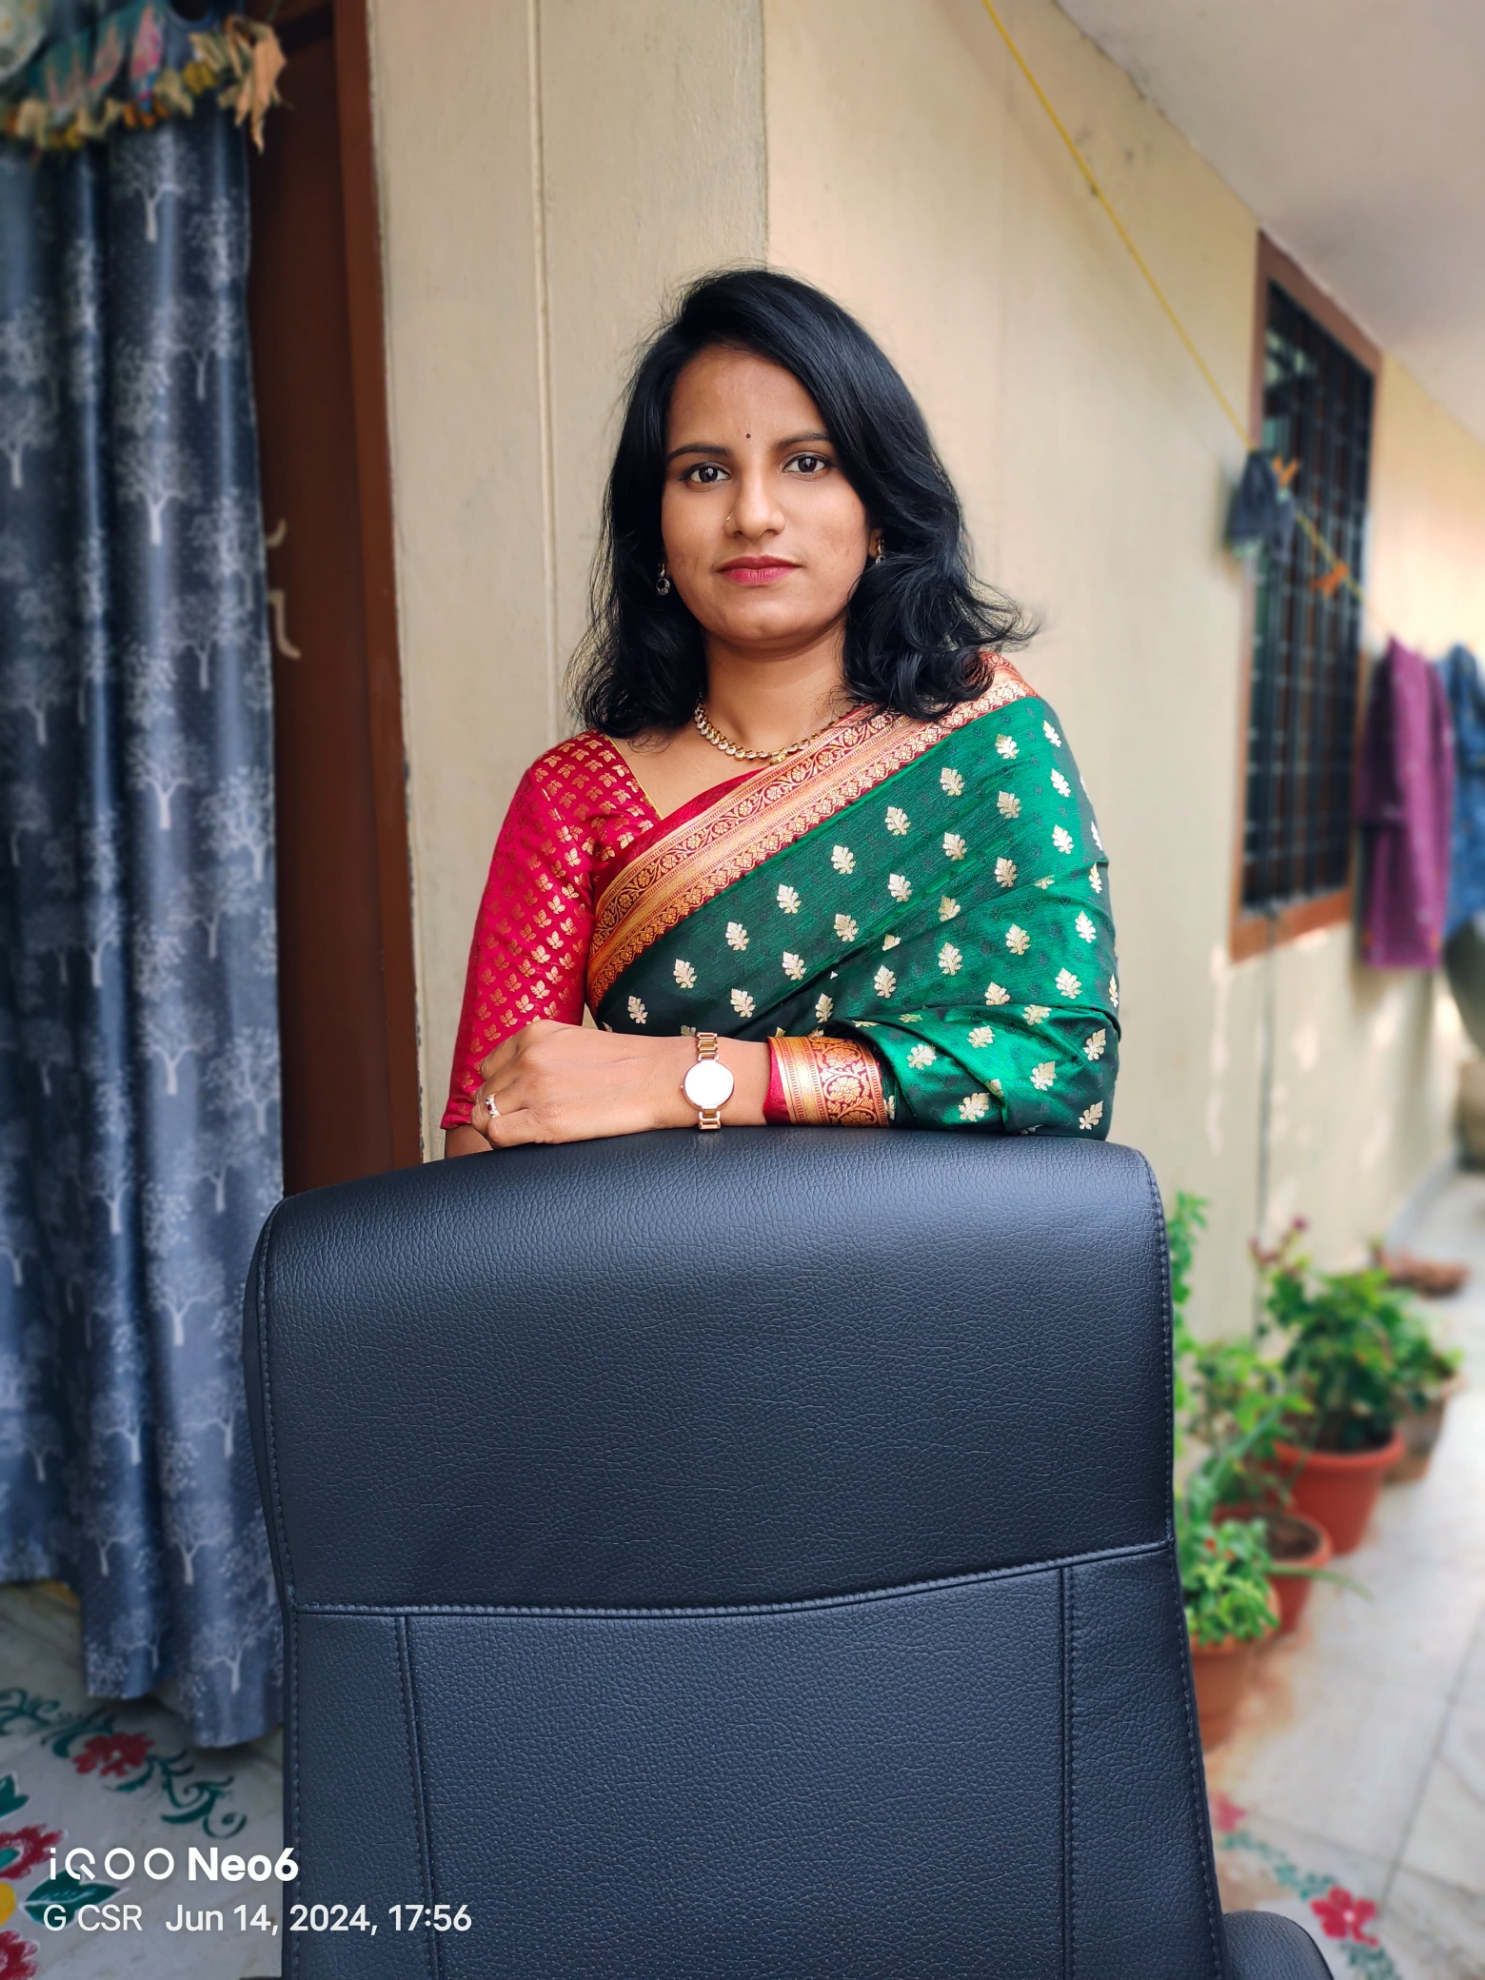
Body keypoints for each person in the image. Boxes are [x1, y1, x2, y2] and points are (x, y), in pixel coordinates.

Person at [443, 270, 1118, 1153]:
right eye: (704, 472)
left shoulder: (985, 734)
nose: (753, 515)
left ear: (878, 510)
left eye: (807, 463)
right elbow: (487, 1139)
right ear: (655, 532)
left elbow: (1062, 1066)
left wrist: (692, 1076)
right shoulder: (577, 798)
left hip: (943, 1241)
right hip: (681, 1242)